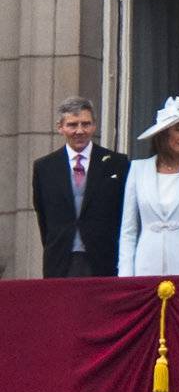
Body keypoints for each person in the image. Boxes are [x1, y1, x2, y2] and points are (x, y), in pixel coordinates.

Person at [118, 97, 179, 276]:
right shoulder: (138, 169)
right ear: (164, 133)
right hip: (145, 267)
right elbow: (129, 229)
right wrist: (125, 274)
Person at [32, 96, 130, 277]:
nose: (79, 130)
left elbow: (124, 213)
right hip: (60, 260)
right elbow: (43, 217)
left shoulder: (117, 163)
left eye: (85, 124)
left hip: (104, 259)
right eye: (72, 125)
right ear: (60, 127)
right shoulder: (44, 167)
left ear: (94, 126)